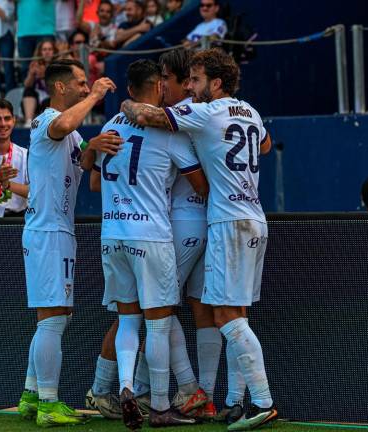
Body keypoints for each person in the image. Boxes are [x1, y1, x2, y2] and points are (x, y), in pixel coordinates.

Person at [120, 48, 278, 431]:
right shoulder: (250, 111)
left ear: (216, 83)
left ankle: (262, 401)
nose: (190, 86)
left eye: (196, 79)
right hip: (255, 217)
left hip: (227, 221)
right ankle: (235, 402)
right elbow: (265, 145)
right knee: (238, 313)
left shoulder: (206, 112)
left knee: (225, 315)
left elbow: (147, 116)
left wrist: (127, 102)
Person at [94, 58, 209, 428]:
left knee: (127, 319)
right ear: (160, 86)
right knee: (158, 324)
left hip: (112, 234)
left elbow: (94, 182)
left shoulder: (110, 125)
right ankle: (159, 406)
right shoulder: (168, 133)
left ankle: (126, 387)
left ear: (129, 91)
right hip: (151, 235)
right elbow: (201, 185)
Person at [17, 59, 118, 427]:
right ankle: (49, 403)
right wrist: (95, 97)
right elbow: (63, 125)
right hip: (47, 232)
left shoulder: (71, 133)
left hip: (57, 230)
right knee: (53, 318)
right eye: (80, 82)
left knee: (55, 316)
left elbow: (83, 160)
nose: (85, 86)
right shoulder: (48, 119)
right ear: (60, 87)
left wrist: (95, 146)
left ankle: (31, 395)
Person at [158, 47, 221, 421]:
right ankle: (206, 397)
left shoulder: (180, 115)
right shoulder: (213, 112)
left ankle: (184, 387)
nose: (161, 85)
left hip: (182, 222)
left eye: (166, 77)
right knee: (202, 307)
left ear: (184, 83)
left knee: (158, 306)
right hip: (209, 221)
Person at [22, 39, 57, 127]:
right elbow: (27, 85)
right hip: (36, 101)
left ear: (54, 51)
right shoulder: (35, 64)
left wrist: (44, 76)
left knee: (48, 101)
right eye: (44, 49)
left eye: (50, 49)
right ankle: (29, 122)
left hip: (51, 100)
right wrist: (31, 74)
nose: (47, 52)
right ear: (40, 52)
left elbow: (56, 89)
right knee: (28, 91)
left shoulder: (58, 66)